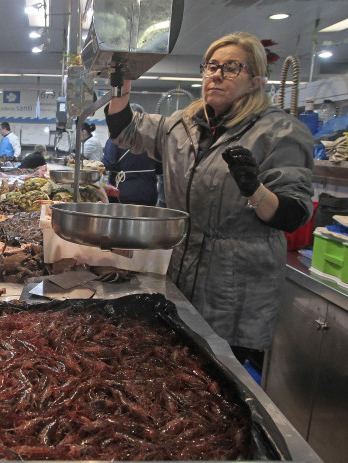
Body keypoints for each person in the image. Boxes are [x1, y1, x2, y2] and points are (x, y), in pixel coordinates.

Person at [105, 32, 314, 369]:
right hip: (180, 270)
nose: (216, 75)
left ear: (255, 80)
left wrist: (255, 189)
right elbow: (124, 129)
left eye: (231, 68)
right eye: (211, 66)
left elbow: (293, 213)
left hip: (235, 288)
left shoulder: (280, 132)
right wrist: (122, 83)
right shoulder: (181, 124)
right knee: (172, 365)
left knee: (219, 375)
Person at [102, 104, 161, 206]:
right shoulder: (153, 140)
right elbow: (160, 169)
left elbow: (106, 164)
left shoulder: (116, 139)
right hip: (148, 193)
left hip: (122, 194)